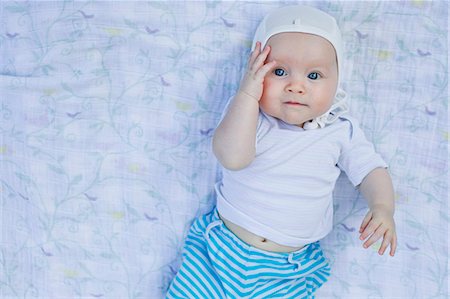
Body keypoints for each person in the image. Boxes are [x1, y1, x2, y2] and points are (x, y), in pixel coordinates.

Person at [166, 5, 397, 299]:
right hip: (219, 255)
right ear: (254, 72)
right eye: (278, 71)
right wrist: (247, 94)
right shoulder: (249, 117)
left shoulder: (340, 131)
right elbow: (232, 158)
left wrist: (383, 207)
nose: (296, 86)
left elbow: (371, 171)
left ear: (338, 81)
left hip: (286, 273)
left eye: (314, 75)